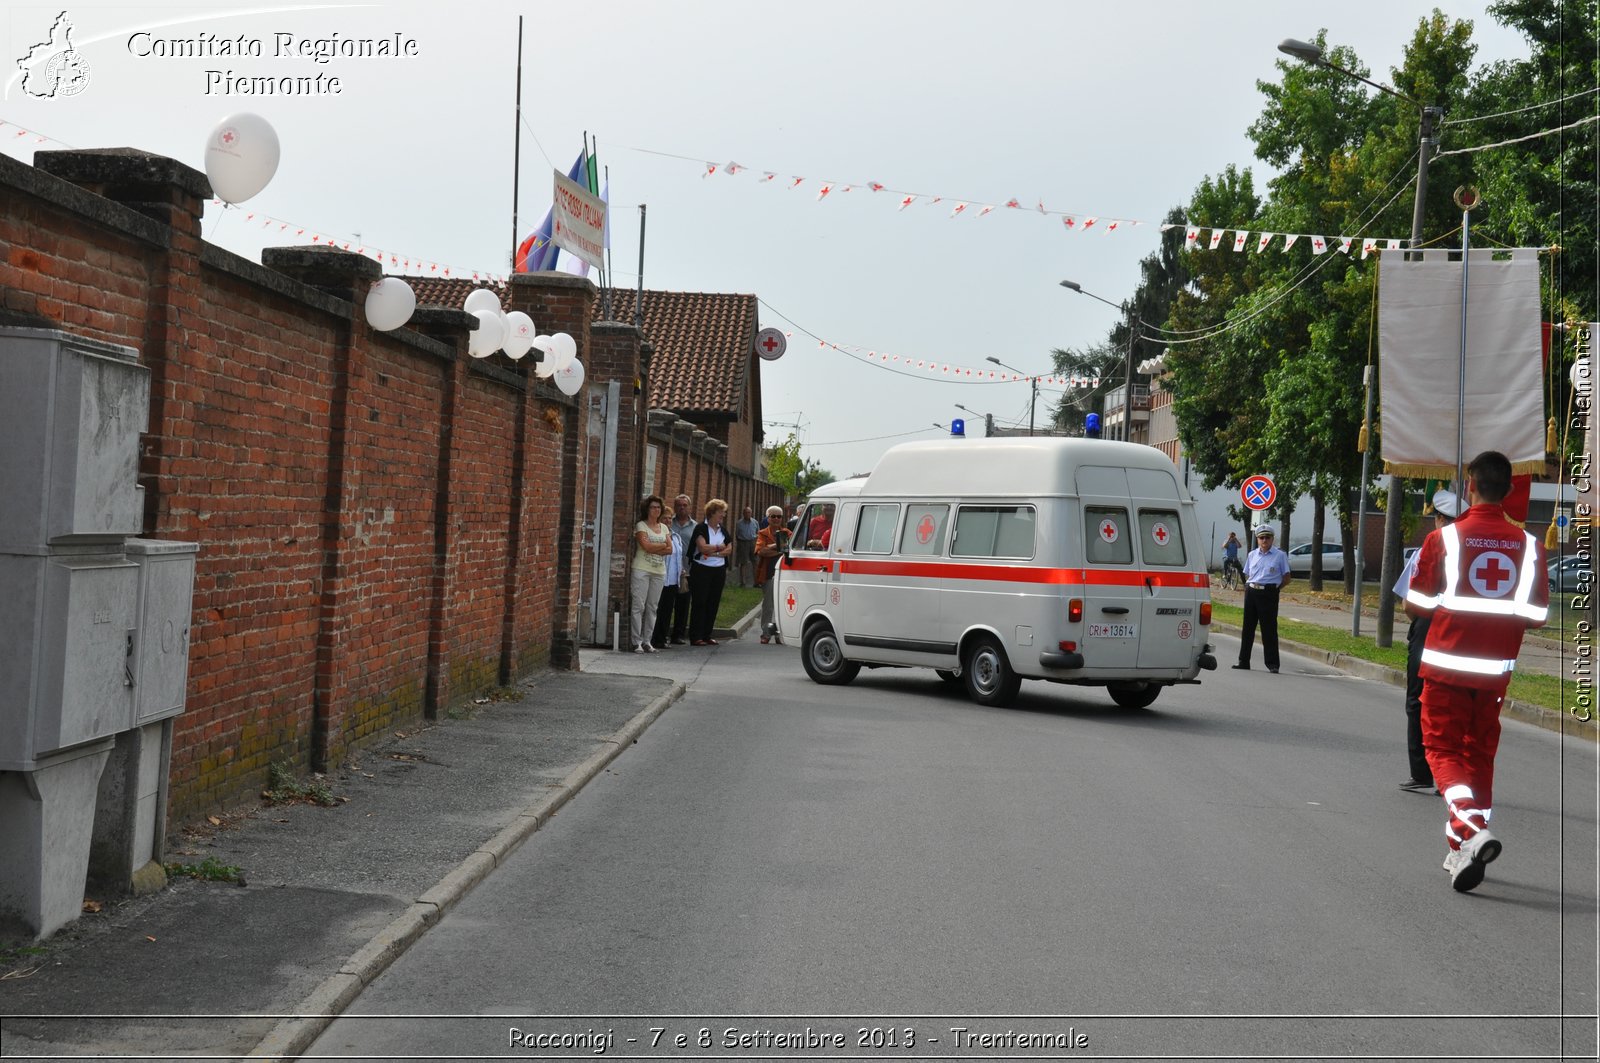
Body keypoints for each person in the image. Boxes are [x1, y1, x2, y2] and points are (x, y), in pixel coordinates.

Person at [1405, 451, 1548, 892]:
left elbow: (1418, 605)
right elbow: (1537, 614)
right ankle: (1460, 852)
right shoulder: (1529, 546)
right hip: (1494, 676)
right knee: (1478, 758)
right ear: (1508, 490)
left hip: (1447, 669)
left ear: (1469, 485)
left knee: (1443, 754)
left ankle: (1472, 832)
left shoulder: (1445, 539)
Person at [1392, 490, 1464, 793]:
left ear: (1438, 520)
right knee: (1454, 703)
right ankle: (1451, 775)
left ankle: (1422, 773)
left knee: (1418, 701)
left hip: (1428, 626)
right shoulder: (1470, 550)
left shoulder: (1429, 547)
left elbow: (1409, 602)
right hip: (1463, 631)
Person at [1232, 525, 1291, 673]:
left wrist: (1274, 589)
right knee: (1248, 628)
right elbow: (1247, 573)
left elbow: (1287, 578)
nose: (1264, 540)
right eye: (1261, 537)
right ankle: (1243, 661)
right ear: (1257, 539)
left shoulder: (1280, 555)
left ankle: (1272, 664)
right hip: (1252, 592)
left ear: (1272, 539)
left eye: (1267, 537)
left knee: (1269, 629)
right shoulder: (1252, 555)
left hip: (1269, 593)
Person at [688, 498, 735, 646]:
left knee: (713, 602)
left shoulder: (723, 530)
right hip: (702, 569)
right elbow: (702, 548)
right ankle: (696, 636)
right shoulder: (701, 528)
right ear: (712, 513)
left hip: (718, 570)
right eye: (721, 512)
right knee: (700, 601)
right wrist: (719, 547)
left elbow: (729, 549)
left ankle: (707, 634)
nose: (723, 515)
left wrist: (714, 551)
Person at [628, 496, 671, 653]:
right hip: (642, 569)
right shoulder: (641, 526)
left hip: (659, 571)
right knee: (638, 605)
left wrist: (655, 546)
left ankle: (647, 640)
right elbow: (645, 546)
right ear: (647, 509)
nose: (656, 510)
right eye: (653, 507)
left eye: (658, 508)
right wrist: (662, 545)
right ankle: (636, 641)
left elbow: (670, 549)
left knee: (652, 607)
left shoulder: (664, 528)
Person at [654, 494, 697, 646]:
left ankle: (678, 634)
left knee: (683, 604)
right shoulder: (668, 524)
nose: (682, 508)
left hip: (686, 570)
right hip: (666, 572)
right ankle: (661, 635)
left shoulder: (694, 526)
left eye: (685, 505)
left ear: (689, 507)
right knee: (665, 605)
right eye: (679, 505)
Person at [753, 505, 790, 644]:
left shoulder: (787, 532)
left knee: (783, 606)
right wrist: (779, 549)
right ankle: (766, 633)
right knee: (768, 605)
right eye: (773, 516)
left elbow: (791, 549)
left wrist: (771, 548)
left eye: (778, 516)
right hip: (768, 574)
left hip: (786, 575)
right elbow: (761, 551)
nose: (776, 519)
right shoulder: (763, 533)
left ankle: (780, 634)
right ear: (767, 518)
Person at [734, 506, 761, 587]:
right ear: (743, 513)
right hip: (743, 543)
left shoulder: (755, 522)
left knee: (755, 562)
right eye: (746, 512)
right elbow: (737, 534)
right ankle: (743, 582)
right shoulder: (739, 523)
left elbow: (758, 532)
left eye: (749, 512)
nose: (747, 514)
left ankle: (756, 582)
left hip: (753, 542)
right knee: (743, 563)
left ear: (751, 513)